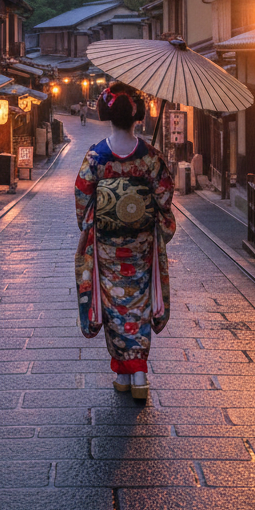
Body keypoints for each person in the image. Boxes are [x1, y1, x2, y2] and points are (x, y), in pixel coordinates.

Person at [74, 83, 175, 400]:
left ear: (107, 114)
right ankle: (138, 374)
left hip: (107, 245)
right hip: (141, 245)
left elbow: (82, 201)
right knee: (139, 303)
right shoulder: (150, 157)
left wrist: (99, 221)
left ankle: (123, 372)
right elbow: (164, 198)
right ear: (137, 116)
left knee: (115, 304)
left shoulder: (96, 157)